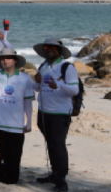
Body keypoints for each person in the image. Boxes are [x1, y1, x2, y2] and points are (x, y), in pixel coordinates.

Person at [0, 48, 34, 185]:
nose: (5, 60)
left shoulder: (25, 78)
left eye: (8, 58)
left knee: (14, 156)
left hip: (16, 125)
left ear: (15, 61)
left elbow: (28, 102)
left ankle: (11, 179)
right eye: (2, 58)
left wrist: (29, 122)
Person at [33, 38, 79, 192]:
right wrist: (36, 81)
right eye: (47, 47)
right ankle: (54, 174)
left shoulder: (67, 67)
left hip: (60, 113)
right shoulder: (43, 66)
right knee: (51, 144)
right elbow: (37, 88)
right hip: (43, 112)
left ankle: (61, 180)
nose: (50, 50)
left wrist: (58, 84)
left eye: (53, 47)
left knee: (58, 145)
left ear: (59, 50)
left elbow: (75, 90)